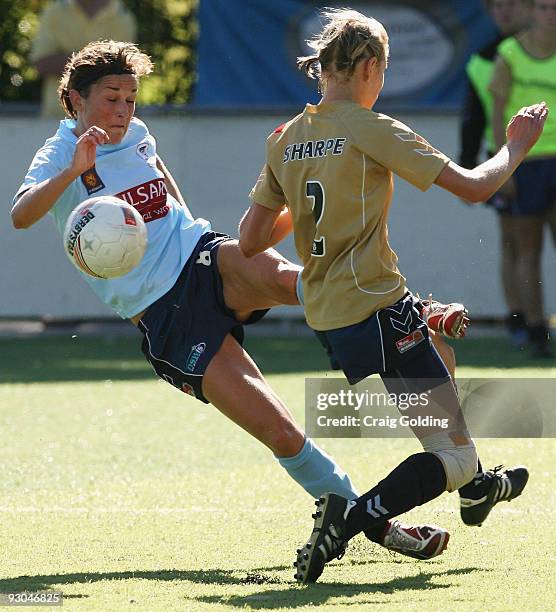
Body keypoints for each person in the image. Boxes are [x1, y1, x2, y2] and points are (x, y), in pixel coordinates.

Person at [11, 40, 460, 561]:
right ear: (74, 99)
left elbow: (156, 170)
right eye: (112, 98)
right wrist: (73, 170)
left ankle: (410, 314)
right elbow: (21, 214)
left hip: (202, 257)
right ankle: (379, 527)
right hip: (166, 315)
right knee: (281, 431)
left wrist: (185, 220)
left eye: (131, 98)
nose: (123, 110)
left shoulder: (135, 134)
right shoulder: (61, 152)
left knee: (302, 280)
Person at [240, 9, 544, 583]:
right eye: (384, 71)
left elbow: (253, 240)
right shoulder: (370, 126)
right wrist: (517, 145)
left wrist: (302, 196)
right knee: (448, 454)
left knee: (441, 355)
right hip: (377, 308)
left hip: (332, 316)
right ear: (371, 66)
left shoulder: (285, 138)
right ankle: (348, 520)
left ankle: (478, 488)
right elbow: (476, 187)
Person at [460, 0, 531, 348]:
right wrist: (467, 168)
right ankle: (520, 322)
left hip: (547, 159)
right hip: (505, 160)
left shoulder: (541, 48)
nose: (505, 12)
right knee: (514, 243)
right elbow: (473, 118)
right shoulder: (482, 58)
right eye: (497, 6)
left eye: (512, 5)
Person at [490, 0, 556, 358]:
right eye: (544, 8)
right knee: (527, 252)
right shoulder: (510, 52)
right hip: (527, 163)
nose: (550, 15)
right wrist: (507, 163)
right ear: (532, 12)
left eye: (555, 8)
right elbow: (497, 111)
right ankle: (535, 330)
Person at [31, 0, 137, 118]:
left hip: (107, 120)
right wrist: (102, 64)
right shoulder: (54, 11)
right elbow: (42, 64)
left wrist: (68, 61)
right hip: (56, 117)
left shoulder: (122, 16)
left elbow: (123, 73)